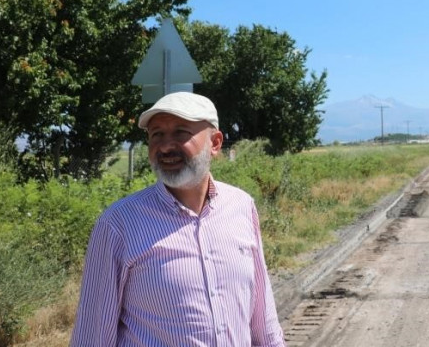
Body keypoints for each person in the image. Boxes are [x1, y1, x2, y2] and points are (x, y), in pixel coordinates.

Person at [70, 92, 285, 347]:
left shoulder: (241, 207)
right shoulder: (119, 224)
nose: (165, 146)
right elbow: (92, 334)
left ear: (215, 143)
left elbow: (262, 314)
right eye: (156, 134)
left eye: (181, 132)